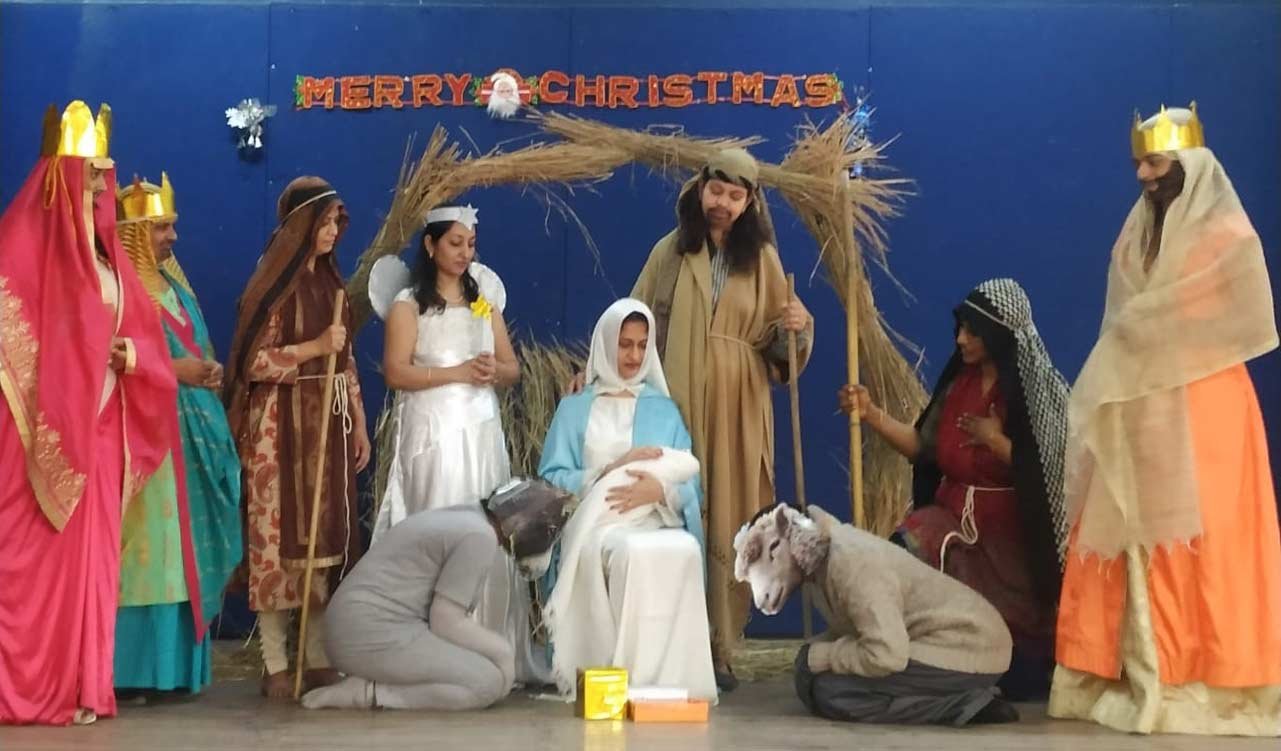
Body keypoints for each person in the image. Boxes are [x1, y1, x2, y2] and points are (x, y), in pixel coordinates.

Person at [1049, 104, 1281, 735]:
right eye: (1139, 164)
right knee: (1131, 529)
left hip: (1206, 405)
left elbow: (1236, 318)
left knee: (1204, 535)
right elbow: (1124, 318)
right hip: (1140, 401)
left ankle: (1203, 680)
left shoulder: (1229, 237)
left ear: (1188, 164)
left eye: (1153, 163)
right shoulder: (1135, 235)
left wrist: (1153, 325)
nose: (1143, 176)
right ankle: (1130, 673)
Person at [0, 101, 180, 725]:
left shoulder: (107, 262)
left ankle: (82, 686)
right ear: (61, 179)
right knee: (33, 565)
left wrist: (129, 355)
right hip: (38, 437)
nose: (103, 188)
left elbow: (145, 342)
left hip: (103, 429)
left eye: (105, 177)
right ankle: (28, 687)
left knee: (93, 564)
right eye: (93, 177)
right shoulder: (19, 252)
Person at [625, 147, 813, 687]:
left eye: (734, 196)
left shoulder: (763, 261)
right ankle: (673, 642)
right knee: (678, 510)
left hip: (738, 407)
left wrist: (799, 325)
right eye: (716, 191)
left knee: (732, 515)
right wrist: (601, 374)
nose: (722, 204)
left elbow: (782, 345)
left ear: (749, 202)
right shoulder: (669, 252)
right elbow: (635, 320)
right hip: (677, 400)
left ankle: (721, 647)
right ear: (700, 190)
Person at [839, 278, 1069, 699]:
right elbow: (921, 447)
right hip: (948, 521)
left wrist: (998, 443)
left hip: (1007, 541)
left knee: (1012, 657)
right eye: (960, 328)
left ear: (997, 335)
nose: (961, 339)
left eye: (972, 332)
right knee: (905, 551)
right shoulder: (957, 386)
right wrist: (871, 414)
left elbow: (1052, 472)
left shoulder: (1038, 394)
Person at [372, 205, 544, 684]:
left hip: (480, 428)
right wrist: (456, 373)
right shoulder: (409, 303)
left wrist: (493, 371)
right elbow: (396, 371)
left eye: (470, 244)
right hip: (432, 429)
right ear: (431, 245)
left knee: (485, 521)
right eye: (454, 243)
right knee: (438, 511)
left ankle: (489, 641)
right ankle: (428, 650)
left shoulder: (483, 298)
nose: (464, 253)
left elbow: (511, 367)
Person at [223, 176, 372, 699]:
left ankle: (316, 654)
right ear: (301, 225)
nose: (331, 232)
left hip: (326, 421)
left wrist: (358, 420)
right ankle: (274, 662)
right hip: (277, 427)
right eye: (323, 222)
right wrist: (313, 348)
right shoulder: (270, 286)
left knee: (322, 539)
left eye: (336, 223)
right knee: (276, 540)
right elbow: (252, 363)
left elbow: (346, 361)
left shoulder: (334, 287)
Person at [538, 299, 716, 700]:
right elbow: (551, 479)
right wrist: (610, 469)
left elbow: (689, 477)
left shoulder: (664, 409)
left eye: (641, 345)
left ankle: (673, 681)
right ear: (605, 344)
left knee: (685, 549)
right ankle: (625, 677)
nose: (634, 356)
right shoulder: (575, 408)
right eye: (624, 345)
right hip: (596, 523)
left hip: (655, 517)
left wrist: (662, 492)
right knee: (630, 552)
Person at [113, 174, 242, 699]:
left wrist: (207, 371)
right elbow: (107, 358)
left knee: (183, 553)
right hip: (144, 436)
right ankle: (132, 671)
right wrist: (176, 371)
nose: (172, 237)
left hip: (191, 435)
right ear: (133, 232)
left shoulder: (175, 286)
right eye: (161, 227)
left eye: (172, 225)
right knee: (151, 553)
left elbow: (197, 348)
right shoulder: (118, 291)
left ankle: (177, 673)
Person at [299, 479, 575, 711]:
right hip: (367, 632)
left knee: (488, 672)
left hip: (359, 627)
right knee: (486, 683)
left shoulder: (470, 518)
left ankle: (371, 685)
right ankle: (368, 694)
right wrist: (503, 653)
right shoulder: (479, 536)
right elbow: (445, 621)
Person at [734, 503, 1018, 726]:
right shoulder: (821, 567)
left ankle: (962, 705)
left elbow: (887, 653)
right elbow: (856, 626)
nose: (761, 594)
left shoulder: (852, 564)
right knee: (808, 675)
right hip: (936, 643)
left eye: (772, 552)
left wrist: (827, 656)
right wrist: (813, 655)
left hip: (971, 646)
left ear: (792, 535)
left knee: (833, 692)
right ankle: (949, 696)